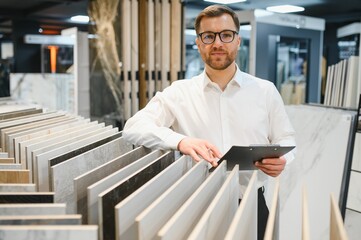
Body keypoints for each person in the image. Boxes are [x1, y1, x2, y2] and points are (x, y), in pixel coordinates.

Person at [123, 4, 296, 239]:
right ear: (198, 42)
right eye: (208, 36)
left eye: (226, 35)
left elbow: (286, 139)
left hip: (252, 203)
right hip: (196, 206)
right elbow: (133, 127)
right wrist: (180, 141)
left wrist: (283, 160)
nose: (217, 43)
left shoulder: (265, 91)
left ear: (238, 40)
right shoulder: (179, 92)